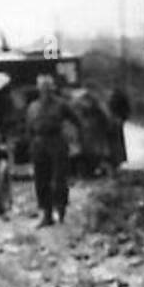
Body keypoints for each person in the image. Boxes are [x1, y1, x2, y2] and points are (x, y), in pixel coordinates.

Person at [25, 74, 82, 228]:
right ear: (38, 89)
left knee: (59, 180)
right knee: (41, 181)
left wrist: (76, 141)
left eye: (48, 88)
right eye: (42, 88)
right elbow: (29, 129)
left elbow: (76, 121)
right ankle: (47, 215)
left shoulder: (61, 105)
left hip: (56, 143)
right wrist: (31, 145)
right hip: (39, 144)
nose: (45, 91)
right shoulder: (33, 107)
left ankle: (61, 211)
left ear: (52, 89)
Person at [108, 84, 130, 165]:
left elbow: (126, 109)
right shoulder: (117, 97)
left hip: (117, 119)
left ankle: (119, 158)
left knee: (118, 140)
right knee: (118, 140)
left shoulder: (117, 98)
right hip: (116, 119)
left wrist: (121, 118)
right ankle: (119, 158)